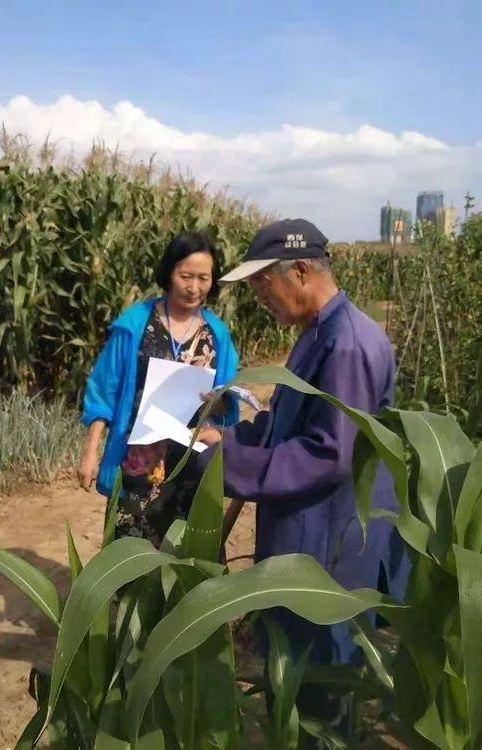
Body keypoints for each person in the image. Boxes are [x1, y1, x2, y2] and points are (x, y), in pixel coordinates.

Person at [195, 218, 407, 667]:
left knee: (316, 690)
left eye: (262, 283)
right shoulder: (318, 333)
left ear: (302, 272)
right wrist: (228, 437)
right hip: (307, 539)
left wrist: (222, 463)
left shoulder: (347, 345)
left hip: (328, 556)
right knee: (289, 678)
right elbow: (287, 423)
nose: (260, 296)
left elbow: (328, 453)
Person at [78, 232, 240, 547]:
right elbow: (103, 391)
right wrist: (90, 452)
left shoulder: (217, 334)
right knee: (131, 556)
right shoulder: (135, 324)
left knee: (188, 555)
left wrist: (218, 403)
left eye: (204, 278)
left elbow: (228, 404)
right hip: (137, 464)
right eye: (186, 276)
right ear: (169, 273)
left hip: (193, 464)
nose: (195, 287)